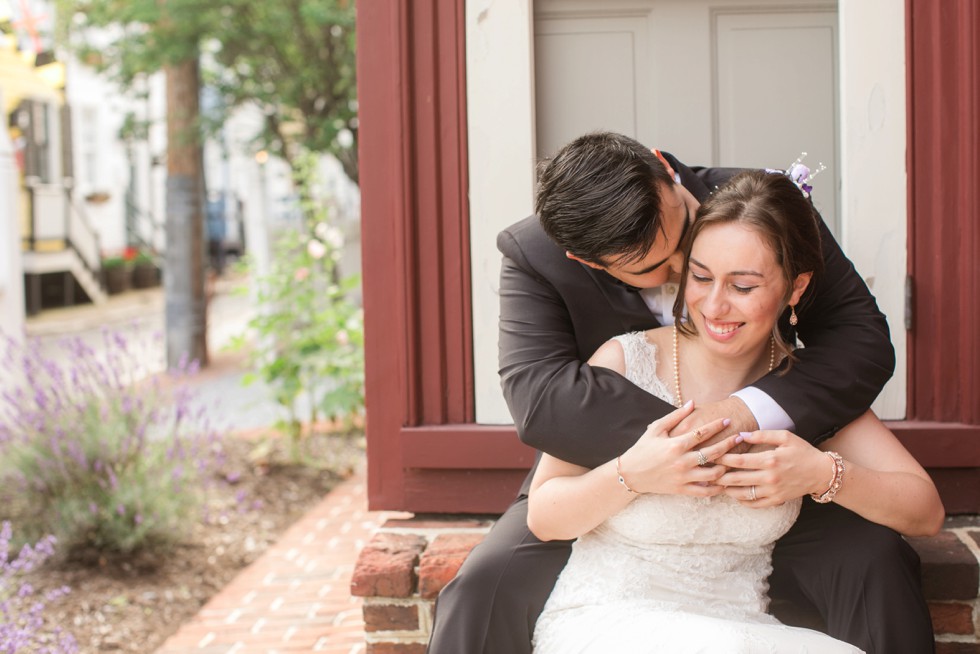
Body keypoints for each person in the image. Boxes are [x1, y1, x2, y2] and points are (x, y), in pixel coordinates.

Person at [426, 132, 934, 654]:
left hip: (774, 475)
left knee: (876, 558)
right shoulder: (537, 255)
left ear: (667, 172)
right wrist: (683, 448)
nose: (690, 279)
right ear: (589, 262)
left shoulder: (757, 206)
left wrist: (748, 414)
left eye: (687, 237)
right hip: (616, 476)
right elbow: (542, 399)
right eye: (661, 268)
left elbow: (860, 342)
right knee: (483, 585)